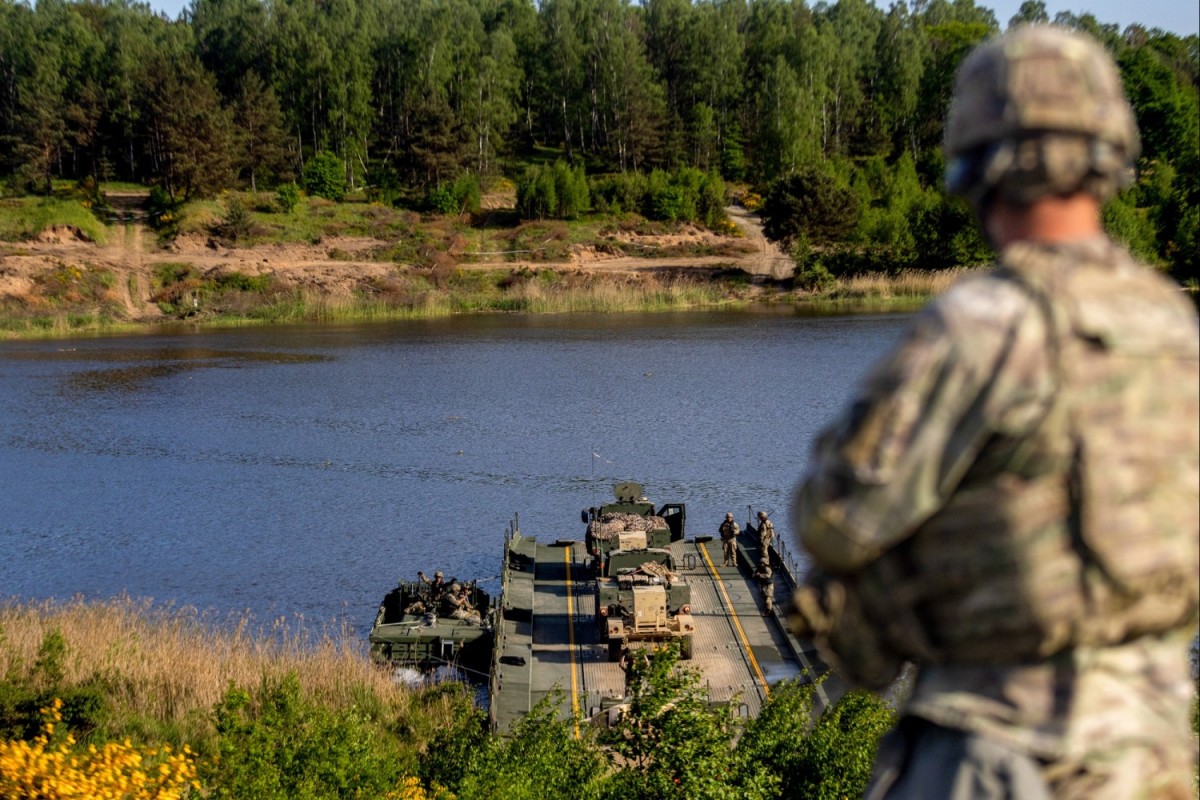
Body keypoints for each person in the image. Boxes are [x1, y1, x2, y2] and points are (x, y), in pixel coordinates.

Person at [789, 24, 1198, 800]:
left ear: (981, 161)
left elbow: (838, 519)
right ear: (1108, 150)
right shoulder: (1172, 322)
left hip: (1008, 750)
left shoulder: (985, 322)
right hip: (1152, 746)